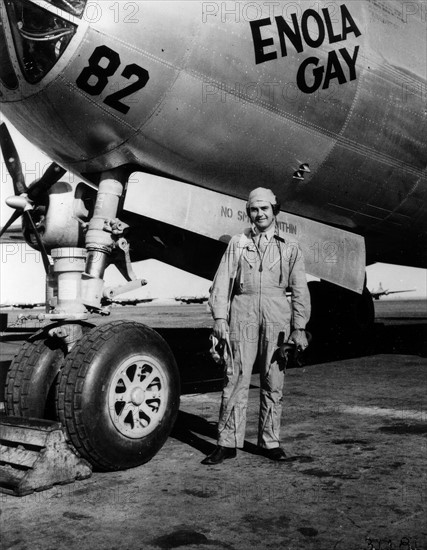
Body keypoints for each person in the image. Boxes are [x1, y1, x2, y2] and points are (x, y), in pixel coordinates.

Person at [202, 187, 311, 465]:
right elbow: (222, 281)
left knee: (273, 381)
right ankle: (227, 443)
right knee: (235, 377)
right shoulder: (237, 243)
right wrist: (219, 319)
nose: (259, 214)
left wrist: (299, 327)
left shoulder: (290, 247)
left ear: (275, 211)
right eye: (254, 209)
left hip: (277, 315)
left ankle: (270, 442)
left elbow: (300, 290)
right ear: (248, 212)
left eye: (264, 208)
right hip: (243, 312)